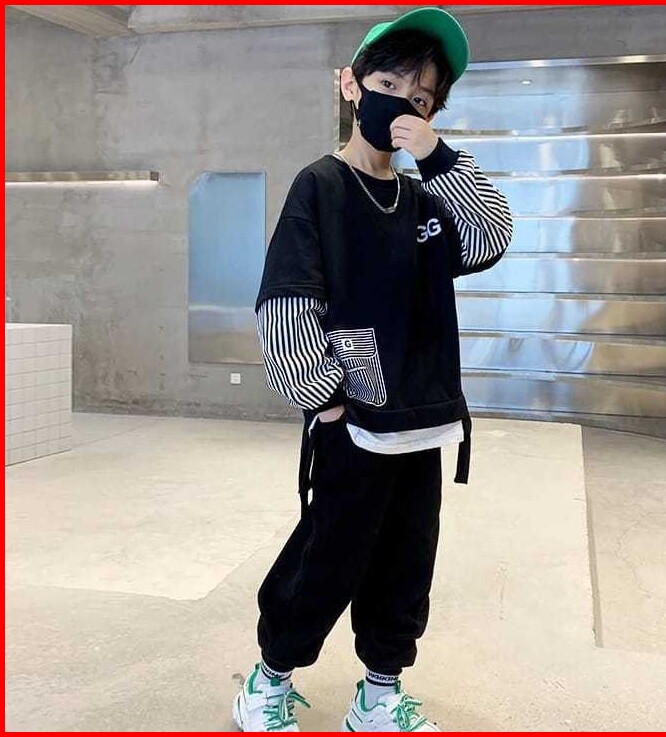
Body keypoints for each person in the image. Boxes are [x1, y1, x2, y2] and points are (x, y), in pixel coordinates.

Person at [233, 7, 513, 732]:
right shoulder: (319, 186)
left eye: (420, 98)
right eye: (388, 84)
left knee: (406, 564)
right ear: (352, 84)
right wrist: (325, 399)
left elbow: (490, 237)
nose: (402, 105)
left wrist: (437, 156)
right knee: (327, 557)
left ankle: (379, 692)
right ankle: (269, 679)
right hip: (353, 422)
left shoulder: (423, 196)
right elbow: (287, 298)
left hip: (423, 421)